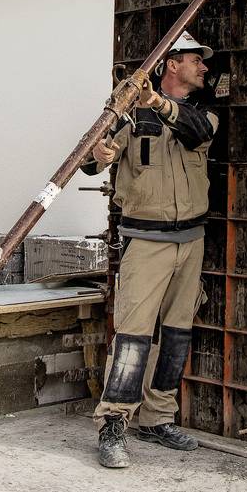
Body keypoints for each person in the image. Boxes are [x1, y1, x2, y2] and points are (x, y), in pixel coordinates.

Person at [81, 31, 219, 469]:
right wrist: (100, 153)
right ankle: (113, 424)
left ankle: (158, 418)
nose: (204, 67)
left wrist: (156, 102)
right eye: (196, 60)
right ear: (172, 64)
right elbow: (88, 160)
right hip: (146, 241)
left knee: (176, 334)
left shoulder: (203, 112)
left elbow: (197, 133)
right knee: (133, 336)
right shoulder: (129, 113)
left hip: (190, 241)